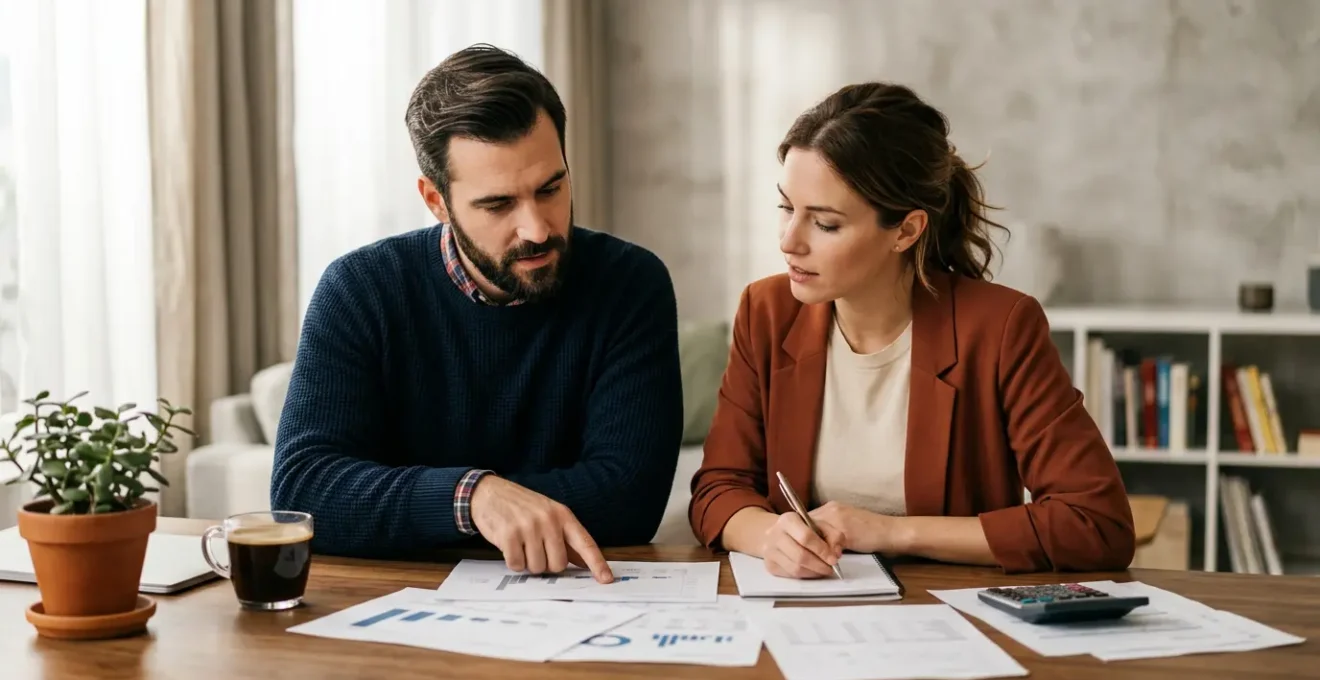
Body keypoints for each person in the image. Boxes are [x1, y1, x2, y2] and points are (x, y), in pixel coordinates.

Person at [271, 44, 684, 583]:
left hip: (580, 604)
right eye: (497, 204)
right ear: (435, 200)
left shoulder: (631, 285)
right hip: (395, 610)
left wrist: (421, 506)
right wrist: (473, 498)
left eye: (550, 188)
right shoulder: (359, 290)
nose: (537, 227)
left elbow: (630, 499)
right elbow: (304, 490)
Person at [688, 82, 1135, 577]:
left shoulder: (1001, 327)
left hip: (952, 619)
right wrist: (771, 536)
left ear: (906, 230)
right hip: (804, 611)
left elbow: (1097, 523)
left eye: (826, 224)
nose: (790, 241)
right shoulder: (766, 311)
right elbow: (717, 489)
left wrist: (890, 530)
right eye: (786, 208)